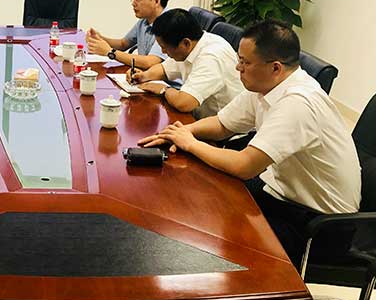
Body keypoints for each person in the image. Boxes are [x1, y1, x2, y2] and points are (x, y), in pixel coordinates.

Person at [139, 20, 361, 268]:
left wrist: (190, 143)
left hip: (319, 227)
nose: (238, 67)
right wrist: (181, 132)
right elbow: (223, 124)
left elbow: (245, 165)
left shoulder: (298, 102)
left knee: (216, 236)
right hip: (282, 195)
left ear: (275, 67)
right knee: (205, 195)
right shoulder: (267, 86)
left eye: (245, 63)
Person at [129, 8, 243, 118]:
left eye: (164, 47)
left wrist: (163, 90)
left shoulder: (211, 57)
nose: (163, 52)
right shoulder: (191, 45)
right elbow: (165, 69)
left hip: (223, 127)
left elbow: (184, 103)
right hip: (201, 117)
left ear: (185, 43)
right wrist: (144, 76)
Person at [86, 0, 169, 69]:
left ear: (156, 1)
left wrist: (109, 52)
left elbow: (149, 62)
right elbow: (123, 44)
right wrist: (100, 38)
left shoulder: (169, 24)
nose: (133, 3)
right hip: (143, 74)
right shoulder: (144, 21)